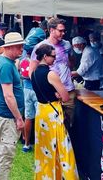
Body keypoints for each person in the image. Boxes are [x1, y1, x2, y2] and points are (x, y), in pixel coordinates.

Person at [31, 44, 79, 179]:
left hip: (41, 112)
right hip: (53, 113)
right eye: (53, 56)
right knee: (62, 147)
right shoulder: (51, 74)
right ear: (45, 57)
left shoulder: (33, 72)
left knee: (44, 149)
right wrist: (57, 95)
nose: (55, 59)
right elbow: (65, 96)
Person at [29, 17, 75, 130]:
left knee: (68, 125)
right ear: (51, 30)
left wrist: (67, 73)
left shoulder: (67, 45)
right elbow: (32, 71)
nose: (63, 33)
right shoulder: (41, 47)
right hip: (51, 94)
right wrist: (42, 90)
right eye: (60, 30)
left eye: (64, 30)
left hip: (68, 91)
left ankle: (66, 147)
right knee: (52, 127)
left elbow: (72, 61)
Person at [0, 32, 25, 180]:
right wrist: (18, 118)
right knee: (6, 155)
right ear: (10, 47)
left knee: (4, 153)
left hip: (5, 115)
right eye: (19, 47)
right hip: (7, 117)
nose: (22, 50)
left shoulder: (5, 62)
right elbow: (8, 95)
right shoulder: (5, 65)